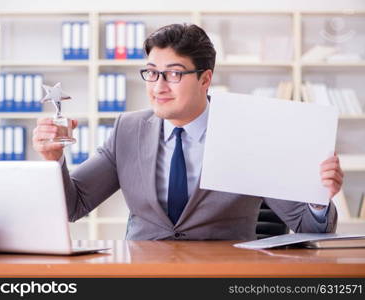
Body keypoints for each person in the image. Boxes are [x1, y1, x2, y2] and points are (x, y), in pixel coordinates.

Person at [33, 24, 343, 240]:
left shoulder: (248, 130)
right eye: (152, 73)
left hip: (224, 276)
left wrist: (317, 198)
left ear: (205, 79)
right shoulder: (127, 130)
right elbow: (73, 206)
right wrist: (52, 159)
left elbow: (310, 226)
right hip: (144, 276)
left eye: (174, 74)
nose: (158, 86)